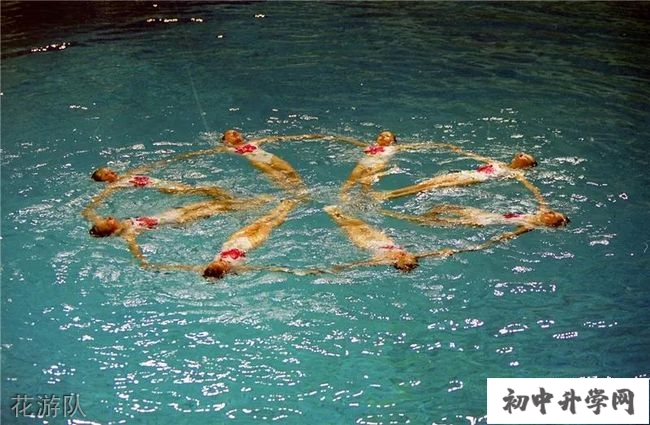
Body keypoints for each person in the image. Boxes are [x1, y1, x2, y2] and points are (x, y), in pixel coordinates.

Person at [88, 196, 270, 266]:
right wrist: (144, 262)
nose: (108, 217)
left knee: (213, 203)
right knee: (216, 209)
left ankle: (249, 203)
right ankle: (254, 206)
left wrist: (92, 206)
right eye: (107, 222)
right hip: (179, 221)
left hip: (171, 214)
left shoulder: (123, 224)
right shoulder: (128, 234)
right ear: (111, 229)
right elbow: (134, 248)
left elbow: (91, 215)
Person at [373, 152, 538, 201]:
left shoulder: (517, 173)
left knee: (433, 186)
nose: (521, 154)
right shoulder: (501, 164)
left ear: (526, 165)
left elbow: (530, 187)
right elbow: (481, 158)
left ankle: (389, 196)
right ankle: (390, 193)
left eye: (525, 157)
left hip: (475, 179)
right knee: (429, 182)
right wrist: (461, 152)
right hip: (467, 174)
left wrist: (541, 203)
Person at [203, 199, 300, 279]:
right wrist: (291, 271)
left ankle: (282, 205)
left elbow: (198, 269)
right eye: (224, 264)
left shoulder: (212, 268)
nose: (223, 261)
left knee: (259, 222)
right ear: (226, 272)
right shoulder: (236, 268)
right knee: (269, 225)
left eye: (220, 261)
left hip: (233, 240)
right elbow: (260, 268)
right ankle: (288, 207)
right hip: (248, 243)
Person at [323, 205, 418, 272]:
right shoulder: (412, 256)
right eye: (411, 263)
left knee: (347, 227)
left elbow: (362, 263)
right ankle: (339, 212)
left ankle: (332, 213)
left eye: (407, 264)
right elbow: (426, 254)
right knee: (362, 224)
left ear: (398, 263)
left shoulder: (386, 260)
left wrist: (340, 267)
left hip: (366, 243)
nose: (408, 256)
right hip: (382, 240)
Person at [380, 204, 569, 229]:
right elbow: (541, 201)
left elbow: (512, 233)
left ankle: (391, 214)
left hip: (483, 221)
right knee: (443, 207)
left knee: (439, 220)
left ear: (551, 224)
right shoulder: (536, 215)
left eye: (553, 215)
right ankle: (422, 219)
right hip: (486, 214)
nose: (550, 212)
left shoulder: (531, 225)